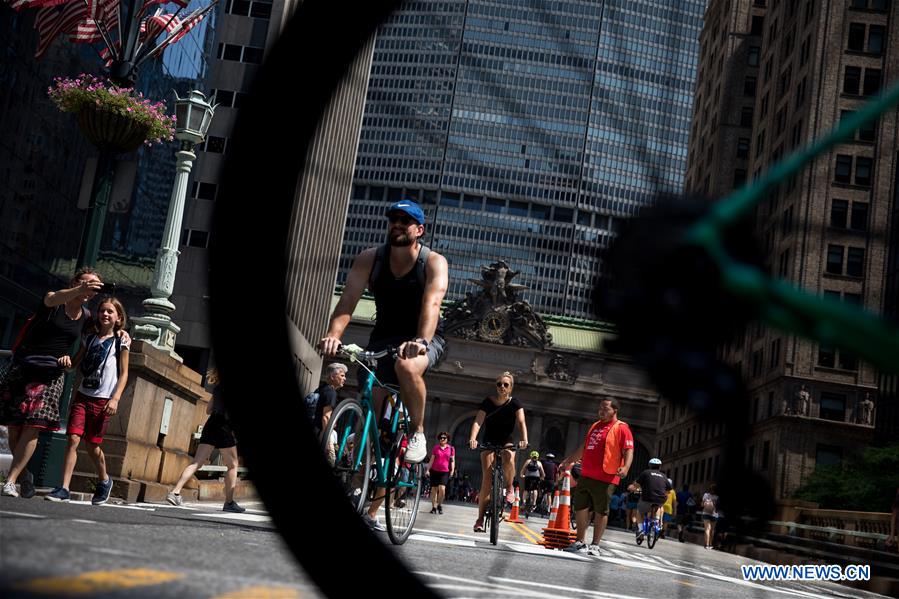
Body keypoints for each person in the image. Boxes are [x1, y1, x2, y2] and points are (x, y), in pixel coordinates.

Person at [319, 199, 448, 469]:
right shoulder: (370, 259)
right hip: (384, 335)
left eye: (406, 221)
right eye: (393, 220)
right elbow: (347, 302)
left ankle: (417, 432)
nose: (397, 225)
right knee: (371, 412)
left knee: (407, 366)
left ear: (419, 230)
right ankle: (360, 479)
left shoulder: (433, 262)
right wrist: (333, 334)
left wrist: (421, 342)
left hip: (425, 337)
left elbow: (432, 304)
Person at [1, 267, 112, 498]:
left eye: (94, 287)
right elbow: (52, 299)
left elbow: (105, 329)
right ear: (75, 282)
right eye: (86, 283)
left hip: (52, 375)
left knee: (34, 426)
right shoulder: (54, 301)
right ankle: (24, 475)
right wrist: (77, 290)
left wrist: (122, 334)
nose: (90, 289)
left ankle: (10, 481)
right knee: (14, 428)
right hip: (23, 368)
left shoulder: (87, 317)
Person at [45, 298, 130, 503]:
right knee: (73, 439)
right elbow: (74, 365)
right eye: (102, 311)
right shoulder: (89, 338)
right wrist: (66, 362)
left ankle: (104, 480)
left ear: (118, 318)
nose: (105, 314)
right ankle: (64, 487)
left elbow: (125, 373)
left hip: (103, 400)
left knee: (92, 445)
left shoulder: (122, 341)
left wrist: (115, 399)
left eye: (110, 311)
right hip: (83, 396)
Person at [561, 397, 634, 556]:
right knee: (580, 507)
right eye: (600, 408)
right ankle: (580, 542)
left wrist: (626, 467)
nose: (601, 411)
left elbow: (629, 449)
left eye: (605, 408)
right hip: (586, 474)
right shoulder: (594, 426)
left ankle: (595, 545)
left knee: (601, 511)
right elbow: (583, 448)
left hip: (606, 476)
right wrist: (568, 461)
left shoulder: (621, 428)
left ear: (615, 410)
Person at [166, 372, 245, 513]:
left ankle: (175, 492)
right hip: (224, 427)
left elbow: (208, 410)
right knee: (233, 465)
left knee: (197, 462)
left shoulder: (218, 387)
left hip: (211, 424)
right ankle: (229, 502)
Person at [469, 371, 528, 533]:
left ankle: (509, 487)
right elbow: (478, 421)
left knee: (509, 455)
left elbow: (521, 422)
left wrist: (524, 439)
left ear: (511, 388)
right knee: (486, 482)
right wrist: (473, 438)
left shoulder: (515, 403)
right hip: (489, 440)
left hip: (506, 440)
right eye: (499, 384)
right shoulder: (488, 402)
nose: (502, 387)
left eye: (505, 384)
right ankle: (480, 519)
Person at [628, 458, 671, 543]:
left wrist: (631, 488)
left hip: (647, 497)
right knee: (658, 506)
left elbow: (636, 485)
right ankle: (657, 521)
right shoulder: (664, 476)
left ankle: (640, 530)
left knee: (639, 512)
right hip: (660, 499)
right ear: (660, 467)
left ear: (649, 465)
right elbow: (668, 490)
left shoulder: (646, 473)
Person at [427, 432, 454, 514]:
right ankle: (434, 507)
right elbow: (432, 459)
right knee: (433, 490)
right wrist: (428, 469)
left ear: (447, 439)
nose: (442, 439)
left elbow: (452, 461)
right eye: (441, 438)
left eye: (444, 438)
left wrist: (452, 470)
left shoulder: (451, 449)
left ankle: (439, 504)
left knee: (442, 489)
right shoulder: (436, 448)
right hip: (434, 471)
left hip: (445, 472)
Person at [519, 450, 545, 514]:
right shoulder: (539, 463)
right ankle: (534, 503)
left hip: (528, 477)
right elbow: (543, 472)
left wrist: (522, 474)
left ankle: (524, 502)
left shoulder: (528, 461)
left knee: (526, 489)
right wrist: (542, 477)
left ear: (531, 456)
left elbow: (523, 468)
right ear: (537, 457)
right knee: (535, 489)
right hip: (536, 478)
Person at [701, 483, 719, 549]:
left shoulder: (706, 495)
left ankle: (707, 544)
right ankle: (711, 544)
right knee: (712, 530)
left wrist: (706, 504)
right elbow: (718, 507)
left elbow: (702, 505)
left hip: (706, 513)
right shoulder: (717, 497)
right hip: (714, 514)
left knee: (707, 529)